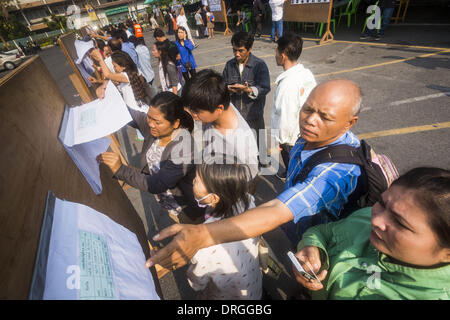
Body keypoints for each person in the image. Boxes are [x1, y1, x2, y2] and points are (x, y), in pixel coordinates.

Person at [145, 79, 364, 270]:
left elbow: (280, 208)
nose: (310, 120)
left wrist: (202, 234)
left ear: (349, 123)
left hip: (323, 245)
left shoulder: (336, 172)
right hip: (297, 232)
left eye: (325, 117)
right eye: (307, 109)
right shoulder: (312, 137)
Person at [293, 167, 450, 300]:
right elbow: (323, 232)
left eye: (400, 223)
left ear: (447, 254)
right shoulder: (364, 218)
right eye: (382, 203)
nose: (376, 220)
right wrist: (312, 247)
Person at [96, 92, 205, 224]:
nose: (151, 124)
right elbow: (129, 114)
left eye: (157, 122)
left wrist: (121, 170)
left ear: (175, 123)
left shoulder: (184, 150)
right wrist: (107, 96)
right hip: (169, 205)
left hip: (186, 211)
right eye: (149, 118)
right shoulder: (153, 129)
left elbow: (156, 184)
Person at [187, 160, 262, 300]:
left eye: (196, 180)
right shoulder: (247, 201)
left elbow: (197, 283)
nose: (193, 181)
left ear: (214, 198)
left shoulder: (204, 244)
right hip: (253, 286)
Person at [181, 69, 260, 180]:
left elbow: (250, 180)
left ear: (219, 108)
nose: (193, 115)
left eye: (196, 111)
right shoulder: (216, 105)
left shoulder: (241, 145)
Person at [271, 32, 316, 181]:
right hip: (305, 131)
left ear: (283, 55)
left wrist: (280, 141)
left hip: (292, 139)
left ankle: (291, 179)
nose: (275, 54)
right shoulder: (306, 73)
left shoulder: (287, 85)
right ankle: (290, 172)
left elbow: (286, 117)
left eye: (277, 50)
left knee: (295, 171)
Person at [222, 31, 271, 167]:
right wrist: (228, 88)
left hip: (254, 112)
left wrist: (248, 89)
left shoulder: (259, 65)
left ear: (250, 48)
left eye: (241, 51)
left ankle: (262, 160)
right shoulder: (229, 65)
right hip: (236, 114)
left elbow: (265, 87)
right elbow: (222, 85)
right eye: (234, 50)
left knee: (259, 139)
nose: (237, 54)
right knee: (241, 142)